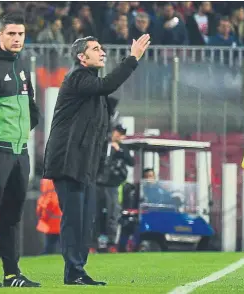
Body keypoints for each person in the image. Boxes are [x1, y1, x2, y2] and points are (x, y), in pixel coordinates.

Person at [43, 34, 150, 286]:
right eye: (95, 49)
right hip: (68, 161)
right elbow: (108, 85)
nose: (102, 52)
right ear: (82, 57)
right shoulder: (78, 78)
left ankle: (78, 270)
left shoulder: (91, 85)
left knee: (86, 219)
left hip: (85, 164)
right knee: (74, 218)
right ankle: (73, 271)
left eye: (102, 48)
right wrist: (132, 58)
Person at [0, 12, 40, 287]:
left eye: (21, 34)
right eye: (11, 33)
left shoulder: (23, 65)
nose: (16, 38)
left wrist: (26, 127)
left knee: (13, 214)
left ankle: (12, 273)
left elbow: (31, 105)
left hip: (19, 152)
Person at [96, 124, 135, 252]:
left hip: (113, 185)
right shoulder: (102, 145)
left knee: (112, 214)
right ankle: (94, 242)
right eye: (117, 132)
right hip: (98, 184)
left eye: (121, 133)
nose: (118, 135)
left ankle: (111, 243)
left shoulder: (123, 148)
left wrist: (119, 151)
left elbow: (131, 162)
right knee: (96, 214)